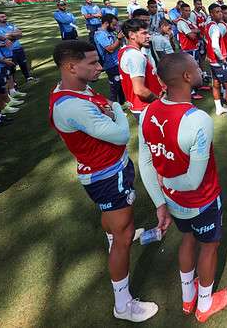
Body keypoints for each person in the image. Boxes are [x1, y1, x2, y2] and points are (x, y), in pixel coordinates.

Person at [49, 40, 158, 322]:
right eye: (93, 63)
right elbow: (121, 134)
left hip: (105, 170)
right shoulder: (72, 105)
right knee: (123, 236)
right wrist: (117, 112)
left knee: (114, 224)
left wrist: (109, 113)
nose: (100, 67)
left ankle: (114, 235)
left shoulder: (74, 89)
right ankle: (123, 305)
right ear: (71, 67)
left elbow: (106, 112)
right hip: (108, 175)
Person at [137, 52, 227, 322]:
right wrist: (165, 183)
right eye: (195, 66)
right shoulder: (198, 119)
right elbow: (192, 180)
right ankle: (204, 304)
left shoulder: (147, 112)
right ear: (188, 77)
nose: (200, 67)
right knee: (209, 246)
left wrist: (160, 200)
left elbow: (145, 162)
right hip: (201, 199)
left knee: (188, 239)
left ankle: (187, 297)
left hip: (172, 200)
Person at [117, 19, 164, 118]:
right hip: (146, 107)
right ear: (132, 35)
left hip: (140, 107)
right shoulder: (135, 56)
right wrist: (159, 102)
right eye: (144, 33)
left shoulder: (125, 50)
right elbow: (139, 90)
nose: (148, 36)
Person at [203, 3, 227, 118]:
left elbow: (207, 41)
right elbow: (215, 45)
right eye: (217, 12)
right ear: (211, 14)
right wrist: (222, 58)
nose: (221, 14)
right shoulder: (217, 27)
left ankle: (219, 108)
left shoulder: (209, 25)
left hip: (213, 60)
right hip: (219, 61)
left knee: (216, 84)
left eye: (221, 11)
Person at [0, 11, 35, 83]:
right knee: (12, 67)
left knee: (23, 63)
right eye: (2, 17)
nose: (5, 18)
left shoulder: (10, 25)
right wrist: (13, 35)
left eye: (5, 16)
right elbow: (2, 38)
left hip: (18, 48)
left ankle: (28, 77)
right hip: (8, 51)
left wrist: (9, 35)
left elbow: (20, 34)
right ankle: (13, 83)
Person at [95, 14, 126, 105]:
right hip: (110, 65)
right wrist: (119, 39)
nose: (115, 27)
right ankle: (113, 106)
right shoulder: (100, 34)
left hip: (117, 62)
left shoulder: (109, 32)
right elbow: (110, 49)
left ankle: (122, 103)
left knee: (120, 84)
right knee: (114, 86)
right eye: (114, 25)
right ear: (106, 23)